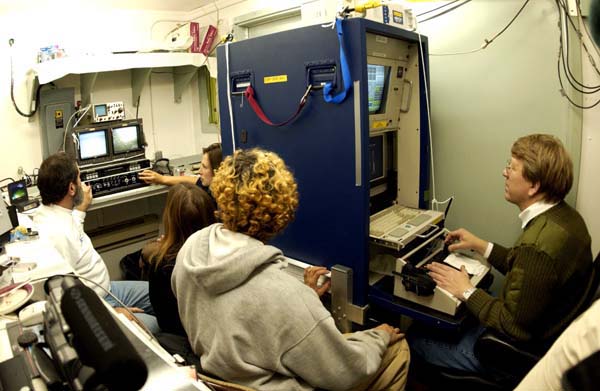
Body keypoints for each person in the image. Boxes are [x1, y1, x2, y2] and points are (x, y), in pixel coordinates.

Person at [172, 148, 410, 391]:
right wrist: (378, 336)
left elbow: (240, 315)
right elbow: (345, 373)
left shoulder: (191, 250)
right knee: (397, 350)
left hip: (222, 377)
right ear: (281, 212)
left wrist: (302, 301)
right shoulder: (285, 296)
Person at [409, 134, 594, 373]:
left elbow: (512, 326)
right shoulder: (566, 218)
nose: (504, 173)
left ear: (534, 185)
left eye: (512, 167)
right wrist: (480, 245)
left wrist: (465, 290)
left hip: (513, 352)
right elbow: (529, 274)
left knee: (414, 337)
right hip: (546, 334)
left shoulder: (538, 246)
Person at [33, 152, 159, 333]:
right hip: (98, 304)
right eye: (79, 178)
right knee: (156, 324)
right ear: (71, 189)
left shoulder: (56, 214)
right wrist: (112, 312)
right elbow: (69, 298)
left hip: (107, 289)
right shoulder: (56, 234)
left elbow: (73, 229)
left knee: (164, 294)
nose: (83, 183)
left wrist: (81, 209)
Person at [141, 183, 215, 335]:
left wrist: (161, 250)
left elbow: (165, 321)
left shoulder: (162, 266)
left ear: (170, 220)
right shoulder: (222, 254)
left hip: (182, 340)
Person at [139, 143, 222, 193]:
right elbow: (191, 180)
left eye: (204, 167)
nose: (200, 171)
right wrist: (161, 179)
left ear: (218, 171)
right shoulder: (209, 185)